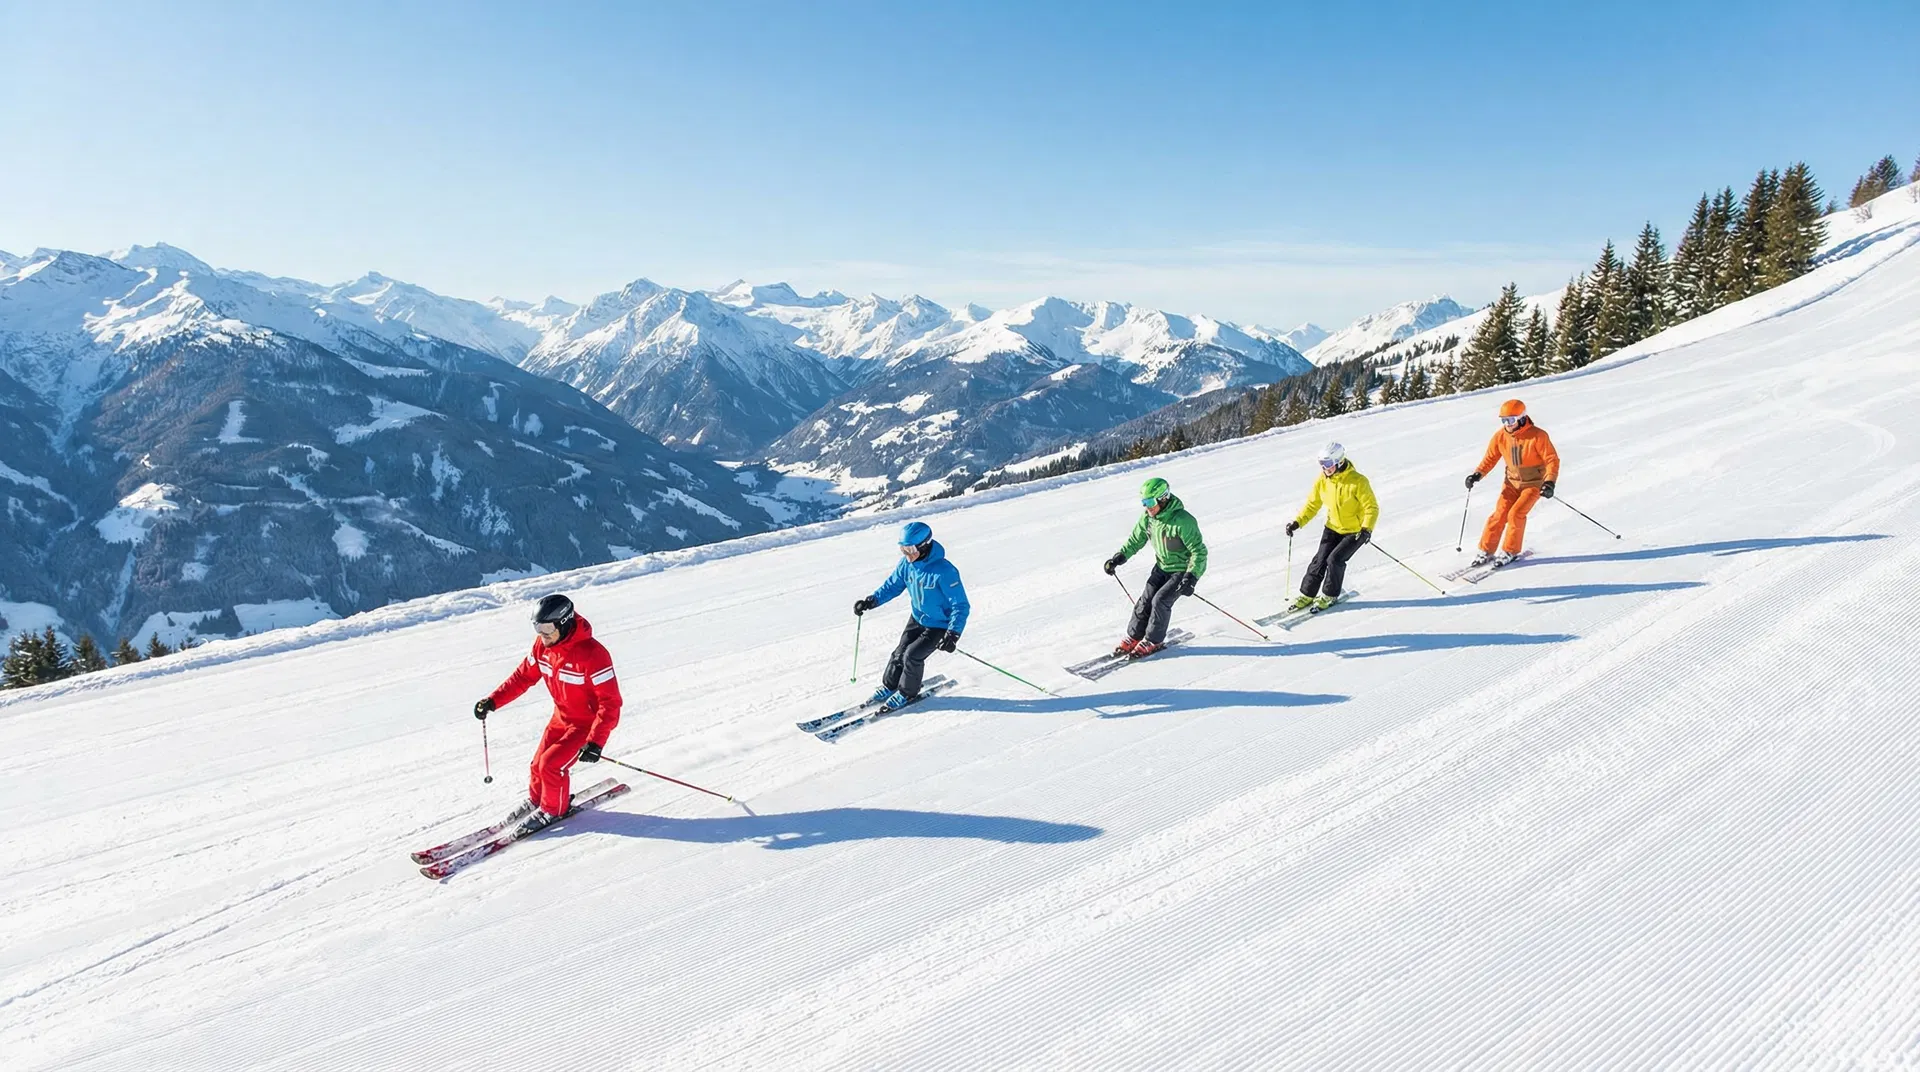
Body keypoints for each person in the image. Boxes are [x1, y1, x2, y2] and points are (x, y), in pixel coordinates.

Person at [472, 594, 623, 834]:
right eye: (537, 627)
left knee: (551, 766)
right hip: (560, 719)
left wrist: (596, 742)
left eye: (546, 628)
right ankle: (538, 799)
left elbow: (611, 702)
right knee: (537, 765)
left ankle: (554, 809)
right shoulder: (542, 646)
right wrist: (493, 701)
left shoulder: (593, 654)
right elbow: (523, 677)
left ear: (564, 623)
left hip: (585, 725)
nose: (541, 634)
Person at [853, 521, 970, 710]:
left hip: (940, 625)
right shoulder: (907, 564)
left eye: (910, 549)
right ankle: (890, 685)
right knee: (899, 653)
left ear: (924, 546)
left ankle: (907, 693)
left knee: (912, 656)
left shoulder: (945, 571)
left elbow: (961, 605)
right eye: (902, 549)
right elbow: (892, 586)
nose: (906, 554)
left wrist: (953, 634)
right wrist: (871, 601)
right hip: (917, 618)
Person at [1104, 476, 1208, 658]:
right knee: (1145, 600)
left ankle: (1153, 640)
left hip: (1181, 570)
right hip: (1161, 567)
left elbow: (1199, 551)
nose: (1147, 507)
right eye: (1144, 502)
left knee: (1160, 601)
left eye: (1150, 502)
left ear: (1163, 498)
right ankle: (1134, 636)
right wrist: (1119, 558)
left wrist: (1192, 577)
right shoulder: (1148, 519)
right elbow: (1135, 540)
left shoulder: (1183, 521)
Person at [1283, 441, 1378, 612]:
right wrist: (1298, 522)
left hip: (1354, 532)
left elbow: (1371, 507)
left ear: (1339, 462)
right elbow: (1312, 505)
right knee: (1319, 560)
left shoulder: (1358, 482)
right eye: (1321, 464)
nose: (1324, 468)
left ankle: (1329, 594)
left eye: (1327, 464)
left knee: (1335, 559)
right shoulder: (1323, 480)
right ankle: (1307, 594)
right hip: (1332, 527)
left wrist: (1366, 529)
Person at [1464, 399, 1561, 566]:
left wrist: (1549, 482)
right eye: (1504, 420)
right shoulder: (1501, 437)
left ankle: (1510, 550)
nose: (1507, 424)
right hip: (1511, 484)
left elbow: (1552, 460)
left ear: (1522, 418)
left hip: (1533, 484)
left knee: (1516, 514)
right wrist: (1477, 474)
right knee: (1499, 515)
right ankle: (1486, 550)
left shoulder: (1538, 436)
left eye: (1511, 420)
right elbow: (1490, 458)